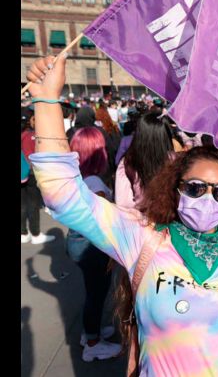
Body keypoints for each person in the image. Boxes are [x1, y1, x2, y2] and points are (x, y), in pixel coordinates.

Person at [25, 55, 218, 376]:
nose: (209, 198)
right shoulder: (142, 236)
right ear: (174, 187)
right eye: (195, 188)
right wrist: (47, 99)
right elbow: (63, 194)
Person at [67, 127, 122, 361]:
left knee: (93, 292)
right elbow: (104, 222)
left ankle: (91, 332)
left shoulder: (78, 178)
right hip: (93, 248)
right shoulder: (95, 184)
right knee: (96, 294)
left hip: (78, 244)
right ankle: (92, 342)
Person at [115, 111, 175, 209]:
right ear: (165, 135)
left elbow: (123, 205)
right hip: (171, 219)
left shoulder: (128, 163)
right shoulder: (176, 161)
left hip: (140, 220)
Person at [21, 107, 55, 244]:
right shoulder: (31, 135)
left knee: (22, 203)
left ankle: (23, 232)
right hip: (31, 171)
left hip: (22, 171)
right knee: (33, 203)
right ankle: (35, 234)